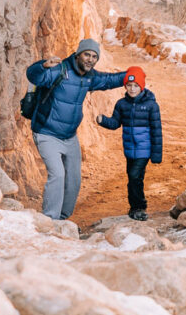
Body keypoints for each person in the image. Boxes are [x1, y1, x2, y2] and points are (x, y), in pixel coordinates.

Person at [26, 38, 126, 220]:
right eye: (87, 54)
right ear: (78, 54)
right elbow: (34, 76)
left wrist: (129, 76)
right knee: (57, 175)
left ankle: (63, 219)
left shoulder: (90, 77)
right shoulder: (60, 70)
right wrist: (43, 66)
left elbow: (109, 80)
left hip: (70, 137)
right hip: (46, 133)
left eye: (94, 56)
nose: (90, 59)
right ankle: (50, 220)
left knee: (73, 181)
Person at [96, 66, 162, 221]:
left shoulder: (151, 105)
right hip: (129, 149)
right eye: (129, 85)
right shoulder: (121, 104)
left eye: (136, 86)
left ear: (142, 86)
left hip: (144, 149)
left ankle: (139, 207)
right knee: (134, 178)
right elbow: (115, 123)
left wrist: (156, 155)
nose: (132, 89)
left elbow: (157, 131)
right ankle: (134, 207)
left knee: (134, 176)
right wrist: (103, 120)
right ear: (125, 86)